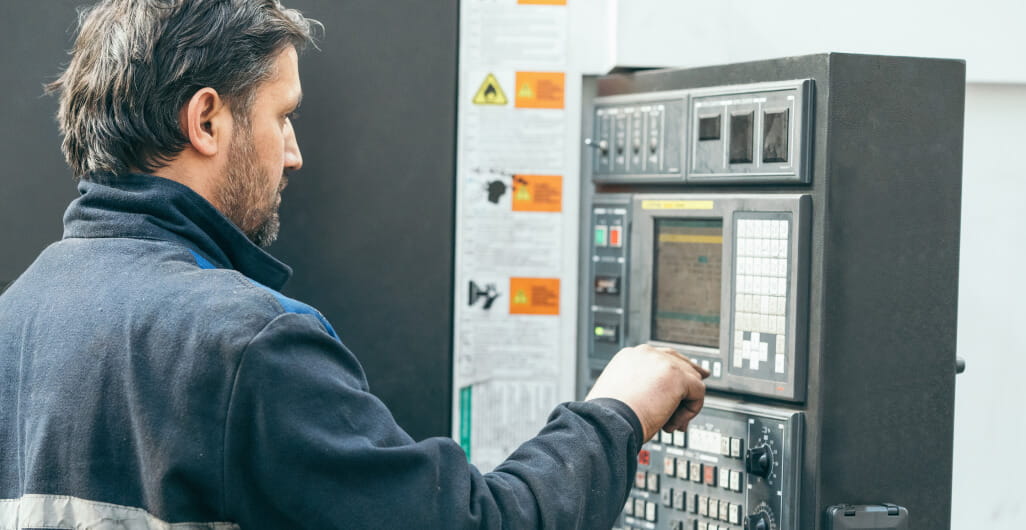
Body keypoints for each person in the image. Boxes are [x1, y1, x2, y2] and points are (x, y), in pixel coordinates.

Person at [0, 1, 709, 528]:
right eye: (282, 117)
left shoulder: (16, 316)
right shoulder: (246, 344)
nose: (295, 152)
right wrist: (618, 412)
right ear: (207, 121)